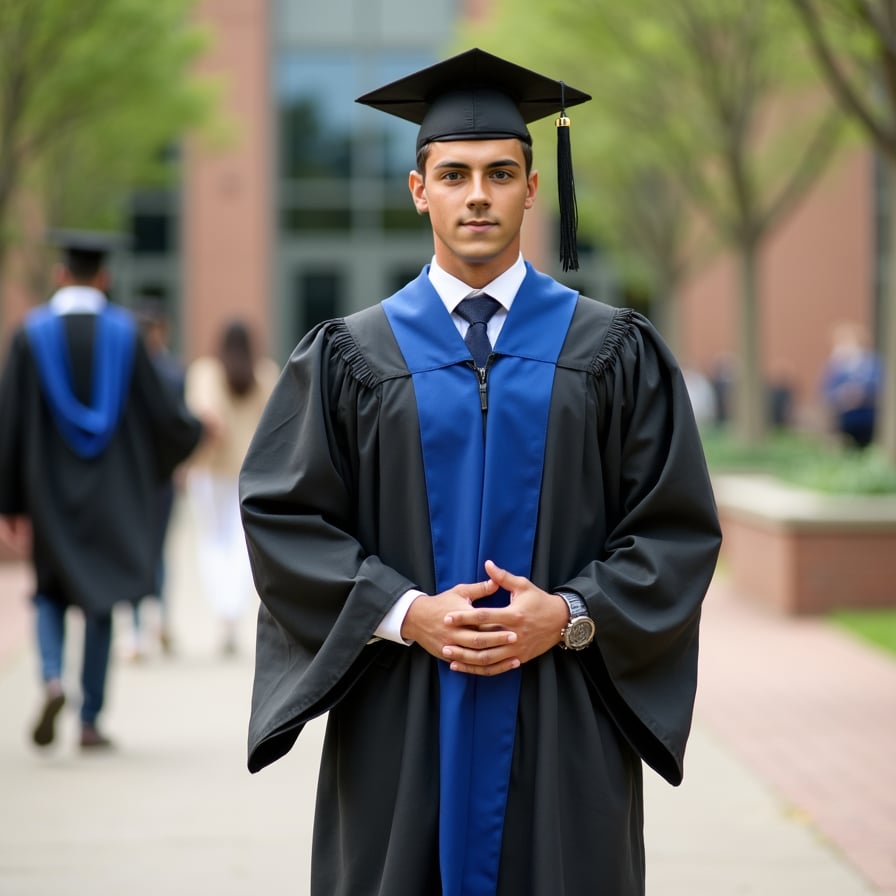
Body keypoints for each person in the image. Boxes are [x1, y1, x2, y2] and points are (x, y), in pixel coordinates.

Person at [239, 48, 722, 896]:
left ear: (534, 188)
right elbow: (284, 518)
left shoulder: (611, 352)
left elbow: (673, 528)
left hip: (563, 715)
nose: (477, 195)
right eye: (453, 173)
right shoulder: (351, 357)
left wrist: (571, 614)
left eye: (500, 173)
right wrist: (404, 612)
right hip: (401, 713)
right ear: (418, 188)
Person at [0, 231, 204, 750]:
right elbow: (164, 416)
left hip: (46, 492)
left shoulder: (30, 336)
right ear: (105, 279)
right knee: (100, 598)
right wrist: (193, 435)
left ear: (60, 275)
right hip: (112, 493)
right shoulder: (127, 335)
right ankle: (89, 721)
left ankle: (50, 677)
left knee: (48, 590)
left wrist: (10, 501)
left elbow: (10, 423)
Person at [184, 319, 278, 655]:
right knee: (242, 542)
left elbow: (204, 417)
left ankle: (224, 611)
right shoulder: (264, 373)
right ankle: (232, 612)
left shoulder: (206, 372)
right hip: (251, 472)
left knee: (212, 539)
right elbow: (278, 422)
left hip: (209, 471)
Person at [127, 298, 187, 659]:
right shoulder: (171, 372)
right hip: (155, 474)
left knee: (144, 550)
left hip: (143, 476)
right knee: (152, 551)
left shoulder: (132, 372)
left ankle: (148, 626)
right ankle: (153, 623)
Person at [821, 321, 882, 449]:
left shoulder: (873, 364)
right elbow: (825, 392)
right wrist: (842, 395)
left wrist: (863, 393)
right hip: (844, 420)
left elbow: (881, 386)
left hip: (869, 419)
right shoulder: (835, 367)